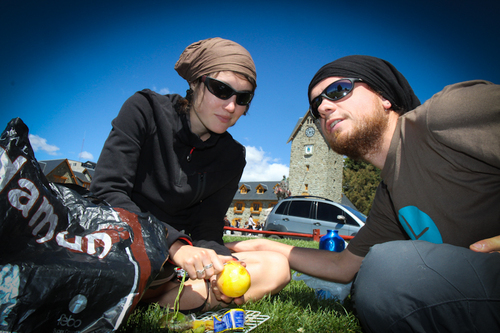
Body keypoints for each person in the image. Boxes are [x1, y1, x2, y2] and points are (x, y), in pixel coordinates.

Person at [227, 55, 500, 332]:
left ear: (385, 96)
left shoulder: (443, 116)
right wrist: (261, 245)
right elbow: (343, 266)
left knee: (389, 269)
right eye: (315, 105)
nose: (323, 107)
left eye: (338, 90)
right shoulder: (390, 193)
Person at [90, 37, 290, 312]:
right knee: (145, 269)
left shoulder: (232, 156)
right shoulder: (144, 110)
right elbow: (106, 193)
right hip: (127, 244)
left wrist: (220, 264)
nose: (231, 107)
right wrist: (173, 246)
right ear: (196, 83)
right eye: (221, 90)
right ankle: (176, 298)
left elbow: (207, 227)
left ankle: (163, 299)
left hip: (181, 262)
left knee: (277, 267)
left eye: (243, 98)